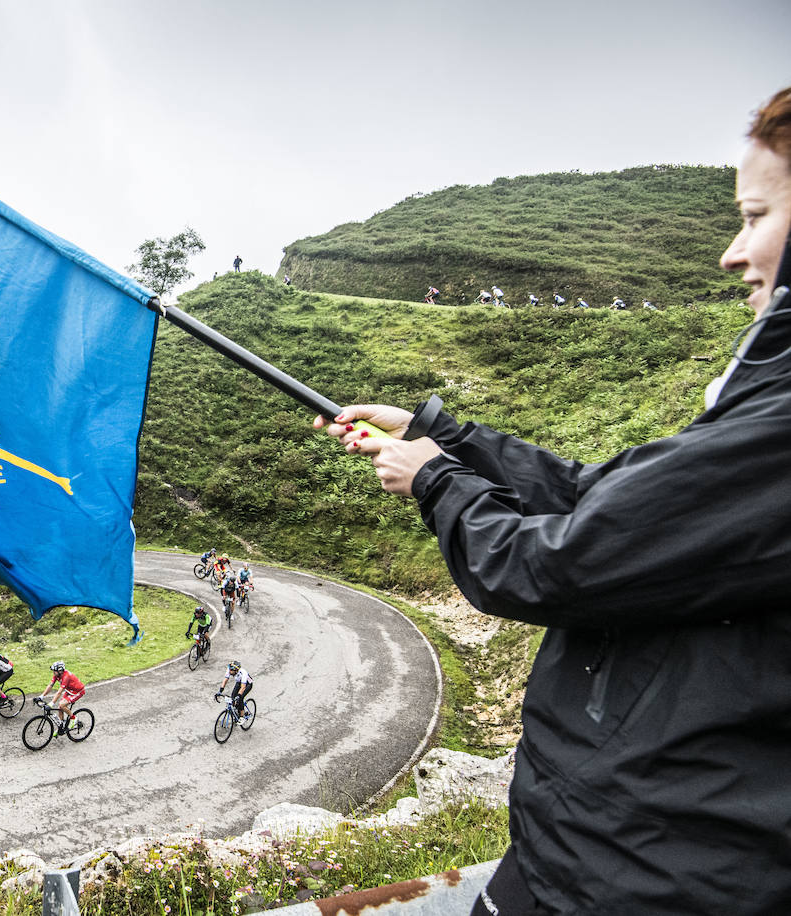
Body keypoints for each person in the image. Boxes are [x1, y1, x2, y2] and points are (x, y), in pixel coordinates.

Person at [317, 86, 791, 915]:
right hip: (637, 858)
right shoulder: (763, 401)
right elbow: (605, 497)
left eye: (754, 215)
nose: (729, 251)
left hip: (639, 878)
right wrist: (443, 434)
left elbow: (555, 564)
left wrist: (433, 477)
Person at [41, 661, 85, 735]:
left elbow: (59, 692)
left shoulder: (66, 676)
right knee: (60, 707)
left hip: (78, 691)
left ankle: (73, 718)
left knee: (62, 705)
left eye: (54, 671)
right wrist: (41, 696)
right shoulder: (57, 675)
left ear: (60, 671)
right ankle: (61, 727)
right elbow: (50, 686)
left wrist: (51, 704)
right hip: (69, 690)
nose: (53, 672)